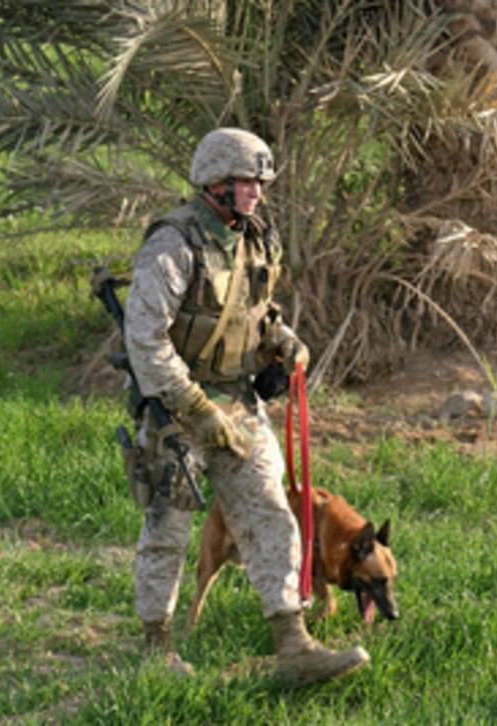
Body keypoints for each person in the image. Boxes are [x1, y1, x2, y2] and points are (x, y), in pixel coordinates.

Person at [123, 127, 369, 686]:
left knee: (272, 515)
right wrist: (193, 406)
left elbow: (258, 309)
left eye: (260, 183)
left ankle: (294, 645)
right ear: (215, 184)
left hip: (236, 403)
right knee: (168, 528)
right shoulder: (172, 243)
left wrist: (282, 341)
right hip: (175, 410)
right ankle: (155, 649)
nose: (257, 193)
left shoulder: (255, 238)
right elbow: (145, 338)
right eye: (247, 183)